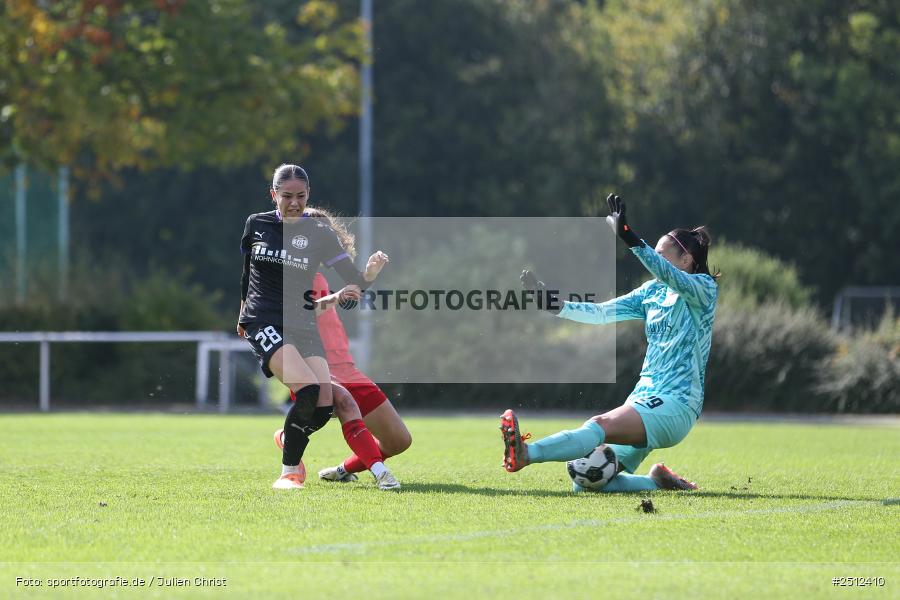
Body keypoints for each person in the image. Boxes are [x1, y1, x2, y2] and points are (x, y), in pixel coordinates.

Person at [501, 194, 719, 492]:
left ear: (686, 259)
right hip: (643, 396)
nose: (655, 261)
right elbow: (602, 312)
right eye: (654, 254)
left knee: (600, 424)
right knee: (587, 481)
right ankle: (660, 483)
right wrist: (555, 306)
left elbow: (667, 273)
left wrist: (628, 235)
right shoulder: (652, 292)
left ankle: (526, 453)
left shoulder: (703, 288)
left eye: (661, 255)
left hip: (677, 403)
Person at [238, 163, 398, 491]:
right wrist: (242, 313)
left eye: (300, 196)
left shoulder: (320, 234)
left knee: (323, 406)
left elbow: (353, 281)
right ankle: (289, 473)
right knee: (309, 390)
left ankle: (288, 438)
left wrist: (369, 274)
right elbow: (247, 272)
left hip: (303, 325)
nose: (294, 203)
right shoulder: (257, 223)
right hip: (264, 318)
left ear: (308, 194)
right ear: (273, 195)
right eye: (287, 196)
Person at [273, 208, 412, 484]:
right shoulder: (285, 274)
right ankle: (382, 475)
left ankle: (342, 469)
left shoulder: (319, 277)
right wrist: (336, 297)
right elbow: (298, 314)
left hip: (347, 367)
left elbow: (348, 295)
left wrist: (369, 275)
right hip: (314, 365)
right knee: (345, 403)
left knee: (399, 440)